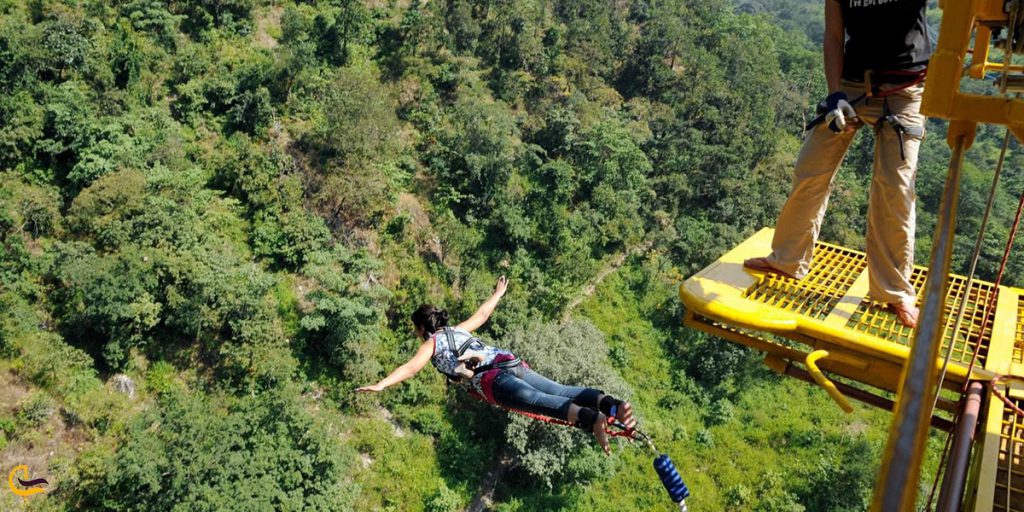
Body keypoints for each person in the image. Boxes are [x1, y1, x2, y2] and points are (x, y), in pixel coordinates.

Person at [743, 0, 931, 328]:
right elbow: (833, 35)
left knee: (894, 189)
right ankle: (787, 259)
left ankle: (895, 291)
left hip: (903, 90)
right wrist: (835, 94)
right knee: (810, 167)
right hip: (854, 84)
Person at [357, 276, 635, 454]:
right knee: (561, 390)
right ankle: (611, 405)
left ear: (421, 328)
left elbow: (410, 368)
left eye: (416, 329)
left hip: (491, 379)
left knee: (540, 401)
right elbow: (482, 313)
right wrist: (497, 294)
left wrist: (382, 384)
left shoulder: (431, 344)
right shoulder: (458, 330)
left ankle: (594, 419)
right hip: (508, 361)